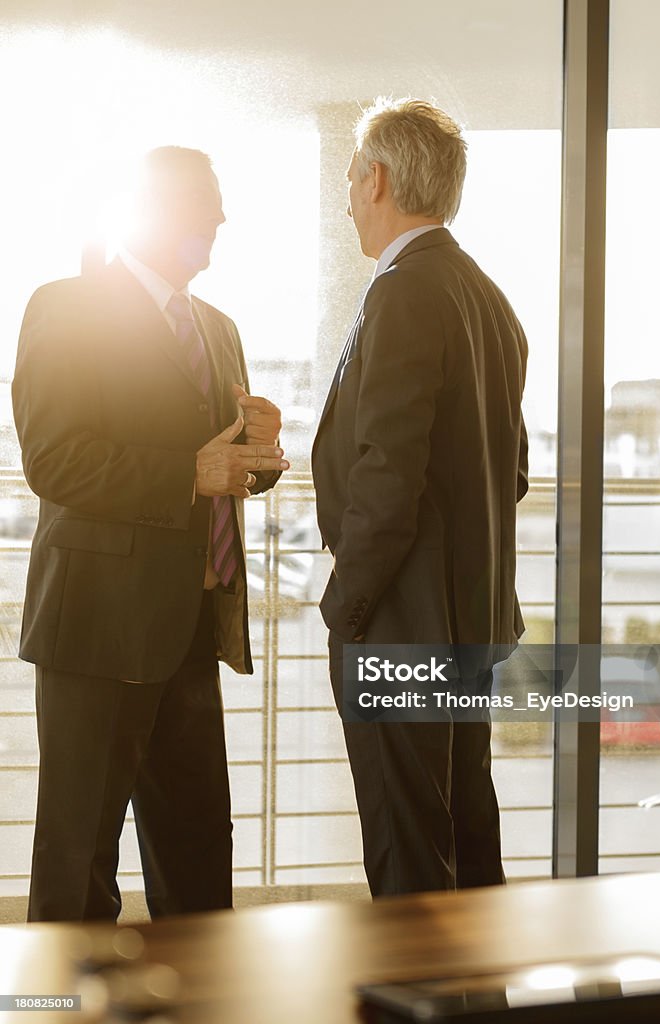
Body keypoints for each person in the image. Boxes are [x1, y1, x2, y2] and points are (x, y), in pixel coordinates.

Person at [12, 146, 289, 922]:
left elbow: (226, 465)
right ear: (157, 209)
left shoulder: (220, 327)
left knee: (201, 855)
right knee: (79, 861)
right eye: (208, 200)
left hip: (193, 630)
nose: (222, 217)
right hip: (99, 630)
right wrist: (186, 474)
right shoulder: (64, 306)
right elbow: (55, 460)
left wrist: (262, 455)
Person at [311, 99, 529, 897]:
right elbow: (511, 472)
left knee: (409, 852)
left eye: (348, 179)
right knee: (467, 837)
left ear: (376, 178)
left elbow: (387, 474)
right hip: (467, 624)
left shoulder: (402, 290)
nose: (343, 201)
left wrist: (348, 605)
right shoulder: (488, 299)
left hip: (401, 626)